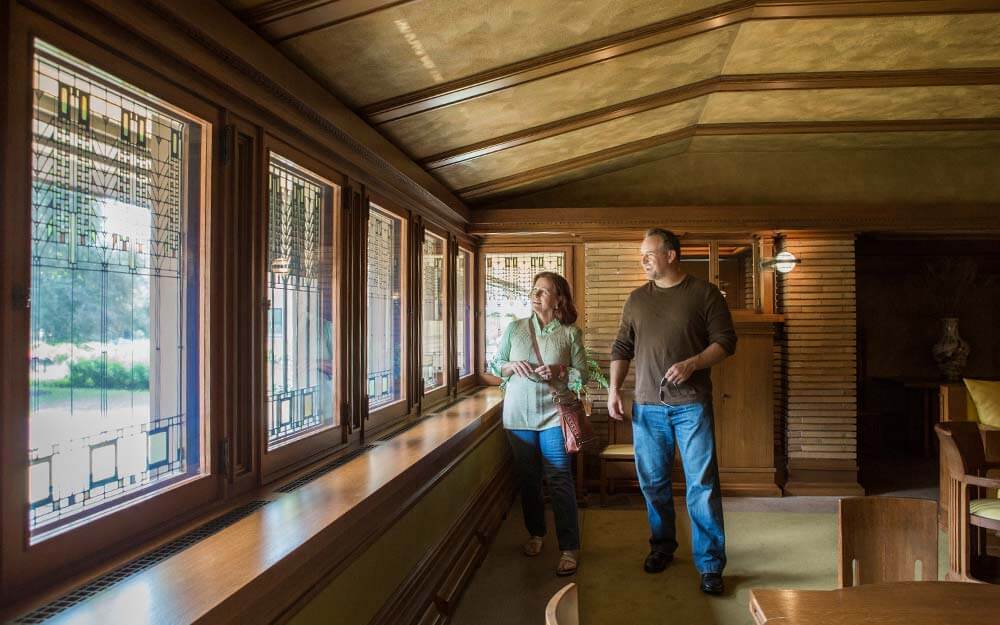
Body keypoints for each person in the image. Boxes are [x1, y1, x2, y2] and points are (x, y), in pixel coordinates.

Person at [607, 228, 737, 595]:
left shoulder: (704, 294)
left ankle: (710, 565)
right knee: (653, 484)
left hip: (691, 405)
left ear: (671, 254)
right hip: (647, 408)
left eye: (649, 254)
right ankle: (662, 547)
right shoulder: (636, 299)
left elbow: (726, 343)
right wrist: (614, 390)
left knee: (702, 485)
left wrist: (694, 363)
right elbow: (621, 346)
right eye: (641, 255)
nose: (643, 260)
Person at [489, 271, 588, 576]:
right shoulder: (515, 328)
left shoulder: (570, 334)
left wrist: (560, 369)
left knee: (559, 480)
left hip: (552, 417)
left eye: (543, 291)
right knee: (529, 481)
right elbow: (495, 365)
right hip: (518, 417)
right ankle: (537, 534)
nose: (535, 295)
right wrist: (510, 366)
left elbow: (581, 375)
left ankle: (569, 547)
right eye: (534, 290)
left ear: (559, 299)